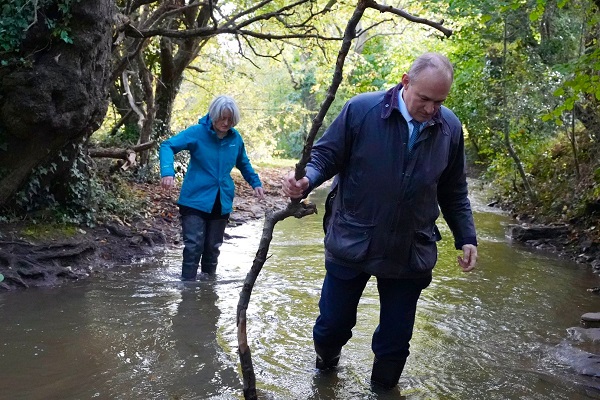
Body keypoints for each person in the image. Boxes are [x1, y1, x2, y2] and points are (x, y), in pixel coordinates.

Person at [282, 52, 478, 389]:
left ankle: (383, 392)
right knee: (332, 325)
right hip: (353, 237)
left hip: (410, 247)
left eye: (439, 101)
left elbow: (454, 190)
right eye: (425, 99)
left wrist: (467, 237)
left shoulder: (450, 128)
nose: (431, 109)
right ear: (406, 82)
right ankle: (325, 374)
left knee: (395, 341)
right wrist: (306, 180)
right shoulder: (362, 110)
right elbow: (326, 156)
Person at [160, 95, 264, 281]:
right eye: (221, 118)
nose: (225, 123)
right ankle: (188, 289)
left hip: (221, 200)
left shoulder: (235, 138)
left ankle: (208, 290)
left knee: (213, 247)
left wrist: (255, 183)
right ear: (213, 115)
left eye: (230, 119)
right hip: (194, 198)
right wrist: (167, 171)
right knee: (193, 246)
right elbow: (167, 145)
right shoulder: (197, 132)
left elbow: (244, 163)